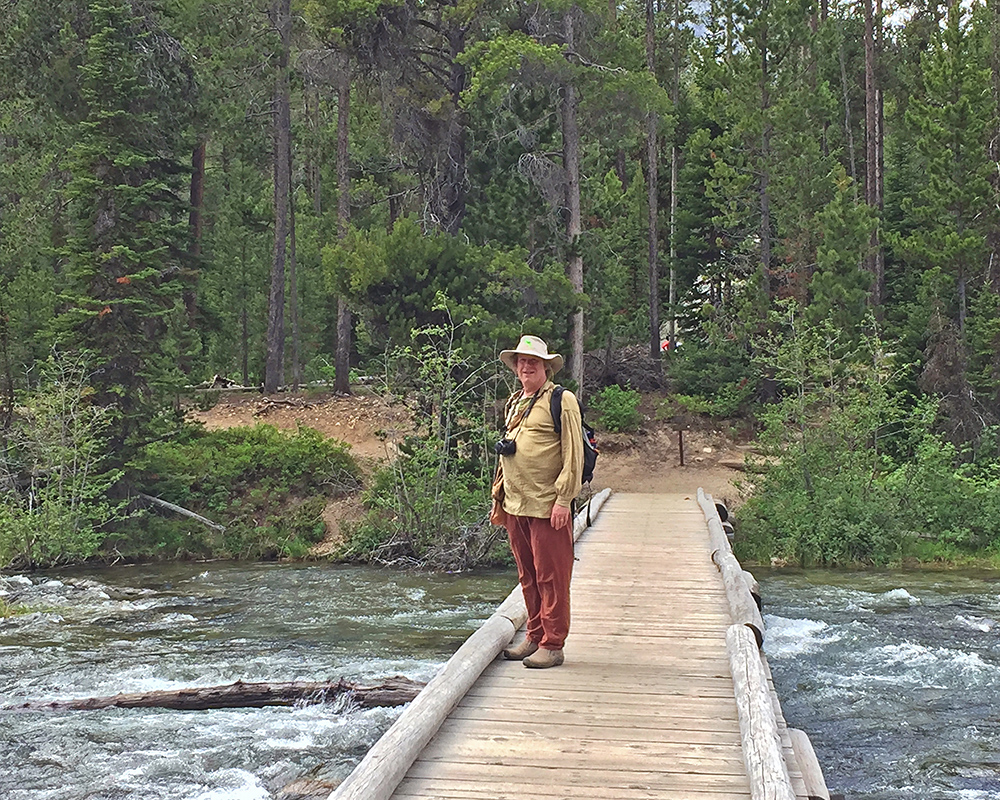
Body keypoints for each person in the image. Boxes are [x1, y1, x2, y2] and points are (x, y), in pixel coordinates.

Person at [495, 335, 583, 669]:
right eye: (521, 361)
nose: (526, 366)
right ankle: (534, 635)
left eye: (533, 361)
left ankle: (553, 643)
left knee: (552, 577)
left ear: (546, 366)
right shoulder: (516, 401)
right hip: (516, 504)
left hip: (548, 505)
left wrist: (564, 500)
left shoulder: (563, 400)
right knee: (527, 575)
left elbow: (573, 454)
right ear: (515, 367)